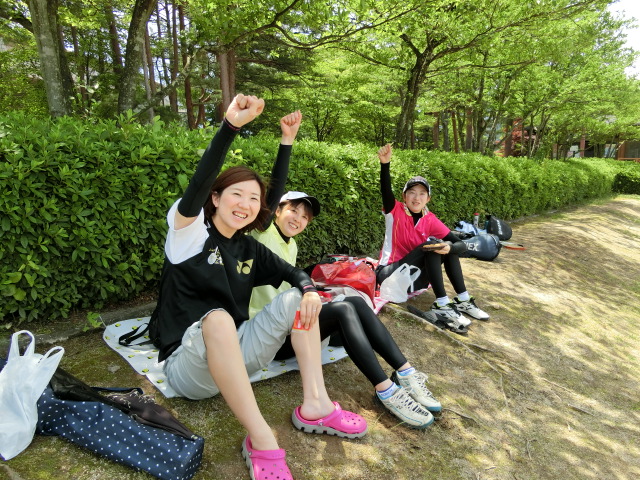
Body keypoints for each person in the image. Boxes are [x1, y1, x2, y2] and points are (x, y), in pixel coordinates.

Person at [147, 95, 367, 480]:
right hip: (188, 369)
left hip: (239, 356)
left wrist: (309, 291)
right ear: (215, 198)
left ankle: (315, 405)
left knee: (299, 298)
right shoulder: (189, 235)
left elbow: (295, 273)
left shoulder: (248, 246)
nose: (245, 203)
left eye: (253, 198)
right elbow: (199, 182)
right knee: (217, 318)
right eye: (236, 194)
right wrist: (230, 126)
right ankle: (262, 440)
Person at [248, 120, 441, 429]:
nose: (298, 219)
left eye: (305, 216)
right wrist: (287, 141)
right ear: (277, 210)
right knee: (343, 310)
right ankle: (386, 391)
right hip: (267, 335)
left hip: (292, 326)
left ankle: (405, 373)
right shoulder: (260, 233)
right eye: (293, 210)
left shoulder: (291, 245)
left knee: (354, 304)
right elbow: (274, 188)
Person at [375, 143, 490, 329]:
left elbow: (461, 245)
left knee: (444, 247)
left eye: (422, 194)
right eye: (412, 193)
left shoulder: (429, 219)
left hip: (413, 281)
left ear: (428, 199)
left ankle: (463, 299)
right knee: (432, 246)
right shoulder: (394, 210)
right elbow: (385, 190)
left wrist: (449, 247)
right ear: (404, 196)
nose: (416, 198)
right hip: (388, 275)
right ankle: (442, 304)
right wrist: (385, 164)